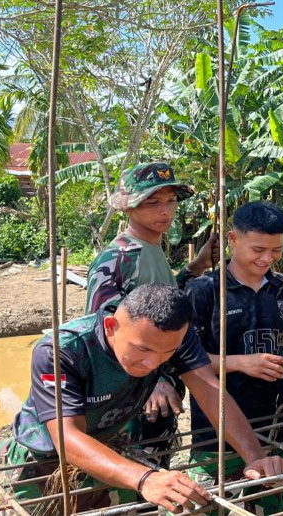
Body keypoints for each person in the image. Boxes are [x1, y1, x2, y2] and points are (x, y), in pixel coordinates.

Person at [0, 284, 283, 513]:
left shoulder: (174, 338)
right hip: (43, 460)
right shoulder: (63, 351)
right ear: (112, 327)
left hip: (111, 452)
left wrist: (255, 457)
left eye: (166, 354)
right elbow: (66, 437)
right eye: (143, 350)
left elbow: (210, 391)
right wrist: (145, 478)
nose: (153, 364)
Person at [184, 201, 283, 513]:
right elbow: (186, 360)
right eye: (258, 249)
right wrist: (242, 363)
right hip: (215, 429)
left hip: (278, 421)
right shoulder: (204, 291)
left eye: (277, 250)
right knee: (211, 503)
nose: (267, 258)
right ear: (232, 240)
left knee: (274, 502)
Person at [85, 161, 218, 462]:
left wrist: (194, 269)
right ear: (129, 208)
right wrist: (154, 380)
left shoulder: (152, 249)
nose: (165, 211)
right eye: (153, 203)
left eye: (171, 201)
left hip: (159, 397)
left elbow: (160, 308)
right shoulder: (119, 259)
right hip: (133, 400)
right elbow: (103, 334)